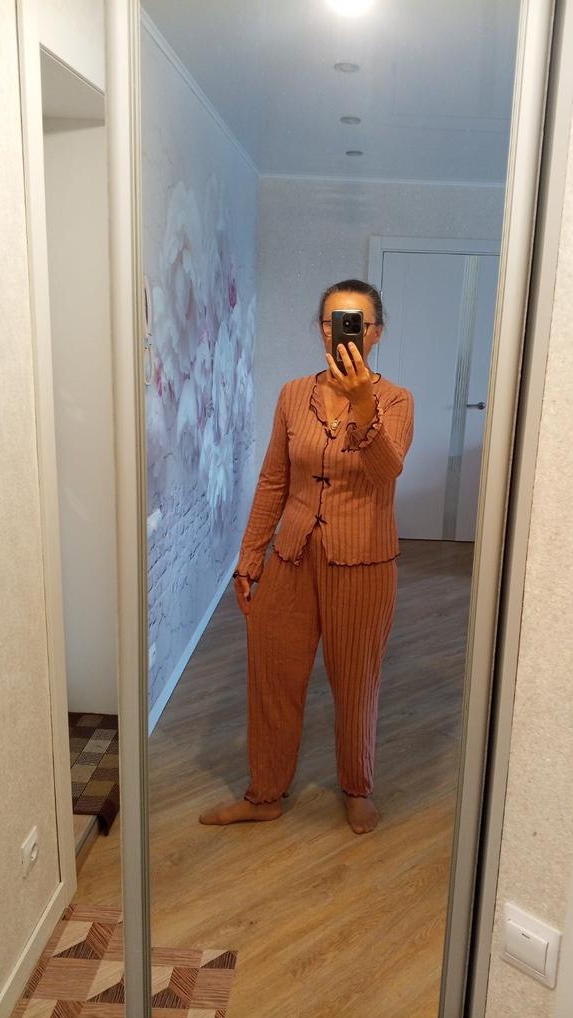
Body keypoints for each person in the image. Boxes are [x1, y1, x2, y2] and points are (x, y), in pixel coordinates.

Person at [200, 279, 414, 834]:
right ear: (321, 329)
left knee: (356, 683)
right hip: (291, 556)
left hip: (363, 561)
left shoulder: (396, 401)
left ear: (376, 334)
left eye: (358, 323)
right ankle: (265, 792)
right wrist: (251, 555)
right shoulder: (293, 394)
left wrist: (362, 402)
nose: (344, 332)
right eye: (332, 321)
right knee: (271, 672)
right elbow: (274, 479)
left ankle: (357, 786)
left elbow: (386, 470)